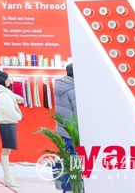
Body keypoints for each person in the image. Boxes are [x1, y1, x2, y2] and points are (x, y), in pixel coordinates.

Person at [0, 70, 23, 188]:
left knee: (7, 150)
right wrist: (19, 116)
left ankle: (8, 177)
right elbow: (7, 110)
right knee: (6, 150)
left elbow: (14, 98)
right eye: (8, 78)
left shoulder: (3, 92)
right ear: (3, 80)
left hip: (7, 122)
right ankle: (7, 177)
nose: (10, 80)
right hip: (6, 123)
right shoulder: (3, 94)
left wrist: (18, 99)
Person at [54, 64, 77, 192]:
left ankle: (66, 187)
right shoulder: (72, 89)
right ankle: (72, 188)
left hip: (64, 129)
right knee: (74, 160)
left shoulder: (61, 86)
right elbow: (78, 112)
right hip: (73, 132)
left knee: (68, 159)